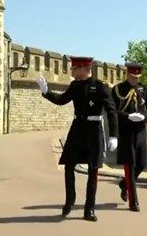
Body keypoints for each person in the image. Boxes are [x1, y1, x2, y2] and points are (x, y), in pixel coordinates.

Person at [36, 56, 118, 222]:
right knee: (69, 166)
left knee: (93, 171)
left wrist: (114, 135)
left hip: (94, 130)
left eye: (74, 69)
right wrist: (46, 92)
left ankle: (89, 208)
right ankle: (70, 199)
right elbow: (61, 100)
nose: (72, 72)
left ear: (83, 69)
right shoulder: (75, 86)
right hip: (77, 128)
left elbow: (111, 112)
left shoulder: (101, 87)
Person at [112, 62, 147, 212]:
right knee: (130, 165)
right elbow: (113, 110)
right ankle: (133, 201)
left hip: (140, 131)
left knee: (141, 164)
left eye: (137, 77)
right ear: (127, 74)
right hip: (126, 132)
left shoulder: (143, 89)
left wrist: (143, 117)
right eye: (132, 76)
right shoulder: (118, 89)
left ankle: (124, 184)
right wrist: (128, 116)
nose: (135, 79)